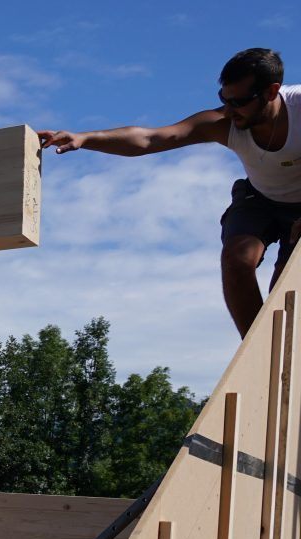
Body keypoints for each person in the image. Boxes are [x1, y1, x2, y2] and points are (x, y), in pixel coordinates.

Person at [40, 48, 301, 336]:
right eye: (224, 100)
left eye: (239, 102)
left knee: (286, 285)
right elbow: (150, 139)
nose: (229, 111)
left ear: (271, 91)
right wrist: (85, 138)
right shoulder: (224, 123)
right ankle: (255, 348)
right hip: (259, 198)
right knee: (236, 259)